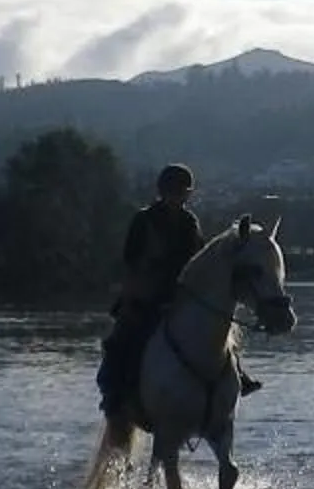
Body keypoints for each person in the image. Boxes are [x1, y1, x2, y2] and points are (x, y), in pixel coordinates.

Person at [95, 163, 259, 418]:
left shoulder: (190, 222)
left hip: (182, 297)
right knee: (120, 344)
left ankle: (237, 374)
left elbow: (200, 261)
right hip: (146, 297)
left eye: (182, 192)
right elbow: (131, 264)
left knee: (218, 336)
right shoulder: (143, 220)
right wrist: (130, 300)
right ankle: (114, 395)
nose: (178, 197)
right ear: (162, 192)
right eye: (173, 192)